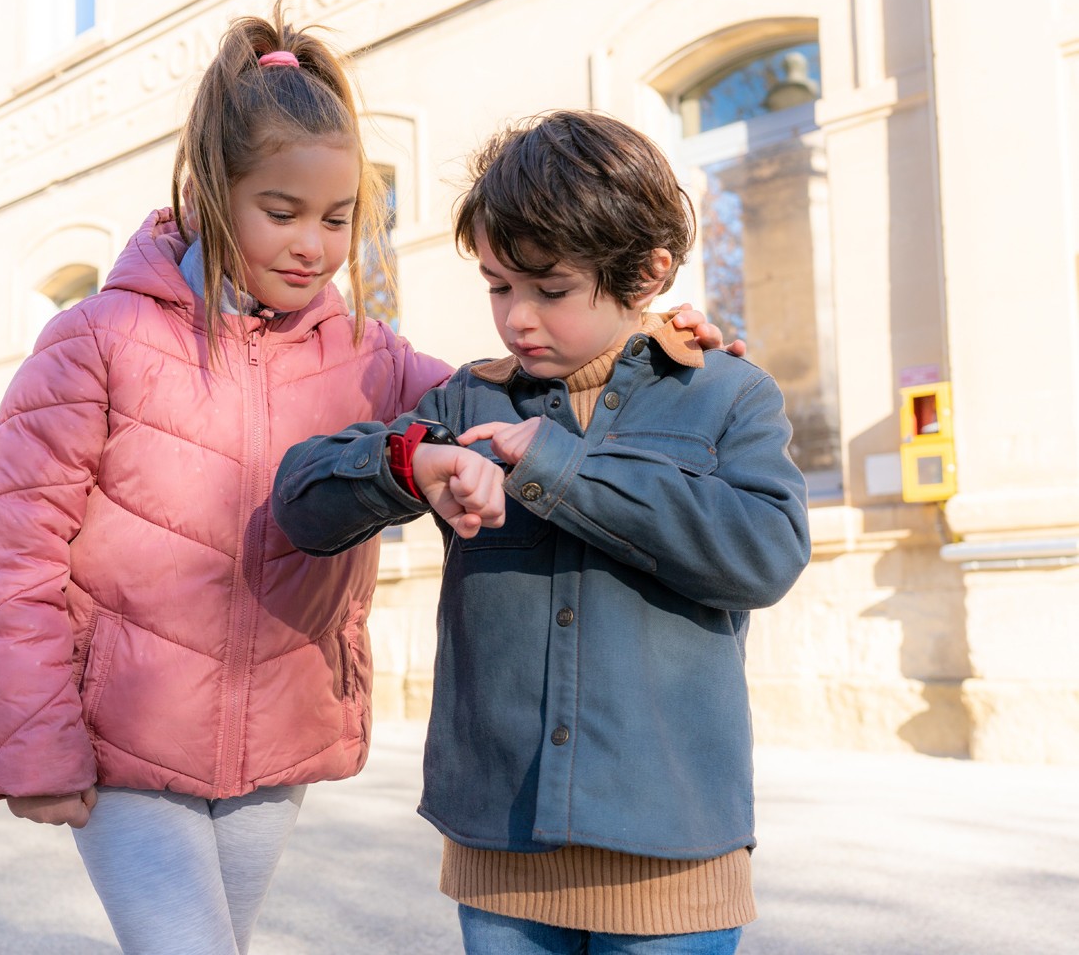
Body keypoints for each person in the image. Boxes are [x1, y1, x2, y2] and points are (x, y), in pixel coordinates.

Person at [0, 0, 733, 954]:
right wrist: (32, 743)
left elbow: (504, 398)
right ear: (208, 190)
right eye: (280, 213)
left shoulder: (368, 354)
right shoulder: (96, 341)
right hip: (123, 736)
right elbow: (12, 550)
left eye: (337, 218)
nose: (312, 244)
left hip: (274, 740)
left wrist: (643, 343)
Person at [271, 109, 812, 955]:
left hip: (676, 853)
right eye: (497, 285)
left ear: (649, 271)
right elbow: (300, 503)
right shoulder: (465, 404)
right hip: (500, 850)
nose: (516, 318)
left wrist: (560, 470)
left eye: (550, 290)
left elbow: (766, 555)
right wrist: (410, 465)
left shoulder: (728, 394)